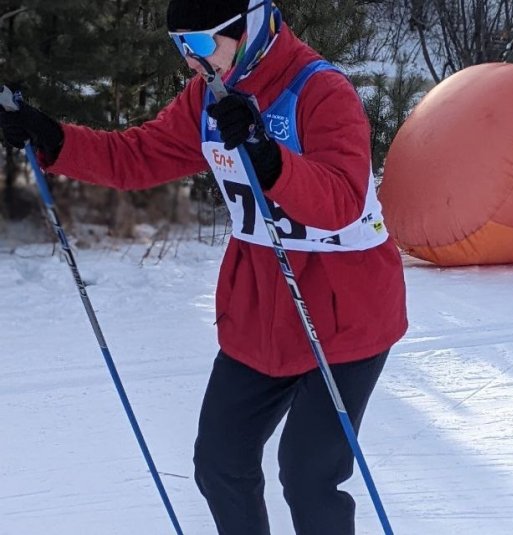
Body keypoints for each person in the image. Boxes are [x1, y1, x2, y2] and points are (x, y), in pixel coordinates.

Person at [0, 1, 408, 533]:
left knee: (309, 475)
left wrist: (270, 158)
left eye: (198, 45)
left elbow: (341, 199)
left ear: (249, 28)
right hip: (262, 316)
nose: (190, 63)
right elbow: (138, 156)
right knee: (221, 464)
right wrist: (54, 138)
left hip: (344, 317)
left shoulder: (321, 91)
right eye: (179, 47)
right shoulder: (209, 95)